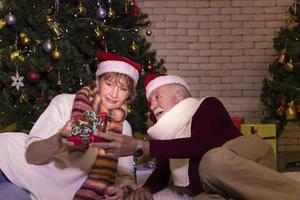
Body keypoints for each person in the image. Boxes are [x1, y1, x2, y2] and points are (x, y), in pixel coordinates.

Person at [92, 73, 300, 200]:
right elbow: (163, 171)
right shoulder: (169, 137)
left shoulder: (207, 105)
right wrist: (145, 189)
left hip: (247, 160)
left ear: (180, 96)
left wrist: (141, 146)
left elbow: (202, 145)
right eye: (150, 102)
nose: (152, 106)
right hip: (217, 186)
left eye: (156, 97)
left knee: (210, 161)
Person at [0, 51, 141, 200]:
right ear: (98, 82)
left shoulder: (123, 128)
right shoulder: (64, 103)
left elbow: (126, 178)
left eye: (123, 89)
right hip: (11, 161)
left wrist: (123, 190)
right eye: (109, 84)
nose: (114, 94)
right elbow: (31, 156)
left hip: (44, 189)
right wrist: (60, 138)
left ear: (129, 95)